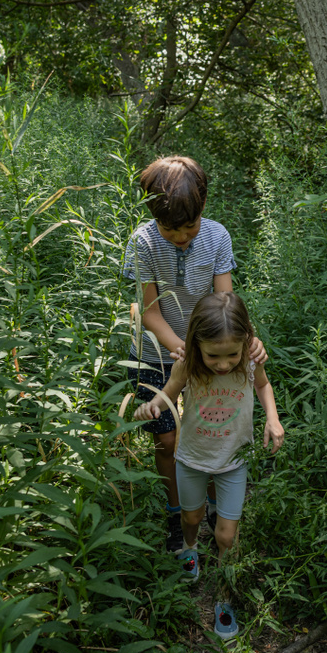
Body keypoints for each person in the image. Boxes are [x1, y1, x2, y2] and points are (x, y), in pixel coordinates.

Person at [122, 156, 265, 552]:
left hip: (205, 349)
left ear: (203, 209)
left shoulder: (217, 237)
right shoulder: (144, 242)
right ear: (153, 215)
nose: (182, 237)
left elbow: (225, 299)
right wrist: (177, 347)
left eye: (189, 227)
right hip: (154, 351)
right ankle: (177, 510)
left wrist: (246, 338)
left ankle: (218, 502)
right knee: (166, 439)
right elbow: (149, 312)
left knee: (215, 424)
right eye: (171, 229)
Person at [133, 292, 284, 639]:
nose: (223, 364)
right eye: (214, 355)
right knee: (192, 517)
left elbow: (263, 386)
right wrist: (153, 405)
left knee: (227, 535)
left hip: (234, 462)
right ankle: (190, 549)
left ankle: (224, 592)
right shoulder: (188, 364)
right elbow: (169, 391)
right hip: (192, 459)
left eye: (232, 354)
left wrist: (272, 419)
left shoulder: (249, 358)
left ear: (246, 341)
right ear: (195, 342)